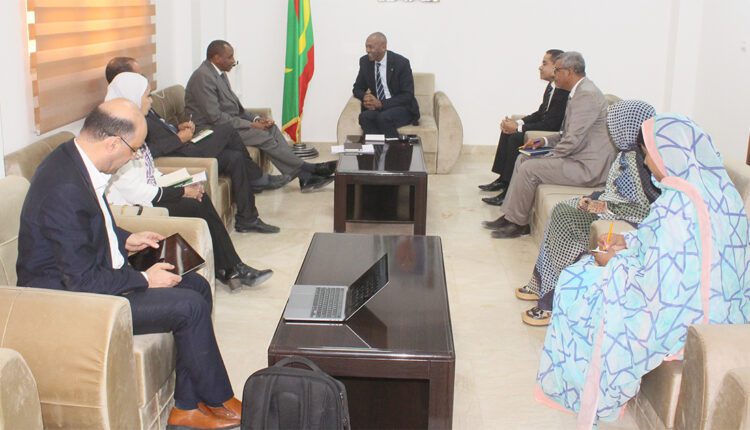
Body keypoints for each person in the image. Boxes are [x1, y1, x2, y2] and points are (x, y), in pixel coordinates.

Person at [16, 99, 245, 428]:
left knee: (197, 285)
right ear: (113, 143)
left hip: (92, 273)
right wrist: (145, 279)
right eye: (135, 149)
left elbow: (89, 225)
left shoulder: (75, 159)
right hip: (69, 301)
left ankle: (186, 406)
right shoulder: (64, 188)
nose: (136, 156)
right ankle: (217, 398)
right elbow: (82, 281)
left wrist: (126, 238)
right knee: (190, 306)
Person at [536, 114, 750, 427]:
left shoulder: (677, 205)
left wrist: (613, 262)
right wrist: (628, 242)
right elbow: (675, 252)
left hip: (682, 319)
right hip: (728, 311)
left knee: (577, 281)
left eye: (649, 153)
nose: (647, 162)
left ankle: (578, 389)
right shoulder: (721, 193)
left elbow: (655, 285)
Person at [105, 72, 274, 290]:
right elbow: (136, 192)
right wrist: (181, 192)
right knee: (195, 203)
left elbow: (149, 172)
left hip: (149, 195)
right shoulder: (117, 138)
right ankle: (232, 268)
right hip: (134, 208)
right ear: (133, 97)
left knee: (199, 197)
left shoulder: (133, 127)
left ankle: (230, 268)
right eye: (147, 96)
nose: (151, 101)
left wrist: (180, 183)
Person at [517, 100, 659, 326]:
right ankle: (541, 284)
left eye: (615, 124)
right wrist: (593, 198)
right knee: (563, 208)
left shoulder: (643, 161)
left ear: (627, 125)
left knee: (565, 218)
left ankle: (552, 302)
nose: (612, 129)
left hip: (626, 218)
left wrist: (604, 207)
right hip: (612, 207)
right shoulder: (627, 153)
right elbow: (615, 189)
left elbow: (644, 208)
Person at [105, 56, 289, 194]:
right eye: (138, 74)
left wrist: (178, 127)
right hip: (180, 154)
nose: (144, 77)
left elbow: (160, 128)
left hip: (184, 143)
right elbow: (147, 151)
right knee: (227, 130)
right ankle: (257, 178)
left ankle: (247, 215)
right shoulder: (123, 117)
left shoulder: (140, 102)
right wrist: (178, 139)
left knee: (234, 156)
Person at [484, 52, 617, 238]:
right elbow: (566, 133)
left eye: (557, 70)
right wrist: (544, 141)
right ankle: (510, 217)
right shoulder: (579, 91)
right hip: (578, 158)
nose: (554, 74)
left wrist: (546, 156)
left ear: (569, 72)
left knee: (530, 167)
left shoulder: (586, 95)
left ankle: (518, 224)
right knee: (523, 158)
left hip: (588, 168)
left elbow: (571, 140)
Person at [185, 40, 336, 192]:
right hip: (213, 131)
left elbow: (236, 109)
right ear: (216, 58)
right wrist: (251, 125)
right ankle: (307, 169)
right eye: (229, 57)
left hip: (228, 125)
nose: (233, 61)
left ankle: (304, 175)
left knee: (271, 128)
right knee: (262, 135)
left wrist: (256, 119)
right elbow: (215, 117)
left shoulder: (219, 74)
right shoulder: (203, 77)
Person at [479, 49, 569, 205]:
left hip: (549, 135)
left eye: (544, 63)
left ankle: (509, 190)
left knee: (515, 137)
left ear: (556, 66)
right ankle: (503, 179)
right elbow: (540, 113)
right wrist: (517, 123)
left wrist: (517, 129)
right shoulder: (551, 86)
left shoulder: (562, 92)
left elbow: (550, 125)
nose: (540, 67)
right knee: (507, 131)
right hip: (543, 128)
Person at [352, 32, 420, 138]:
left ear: (383, 47)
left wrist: (381, 103)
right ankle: (375, 147)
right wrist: (365, 97)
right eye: (366, 47)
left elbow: (407, 95)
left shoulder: (401, 63)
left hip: (402, 107)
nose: (367, 50)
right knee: (364, 117)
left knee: (384, 118)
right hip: (379, 108)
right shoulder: (365, 62)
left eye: (371, 47)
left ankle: (394, 148)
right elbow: (357, 88)